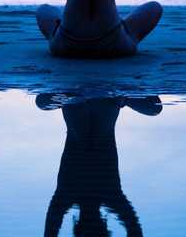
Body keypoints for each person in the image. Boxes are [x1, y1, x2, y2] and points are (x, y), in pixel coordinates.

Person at [38, 94, 163, 236]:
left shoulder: (70, 194)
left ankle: (72, 97)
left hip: (84, 100)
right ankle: (75, 97)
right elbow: (135, 230)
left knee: (42, 103)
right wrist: (124, 100)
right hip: (100, 101)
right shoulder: (109, 195)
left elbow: (134, 230)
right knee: (154, 108)